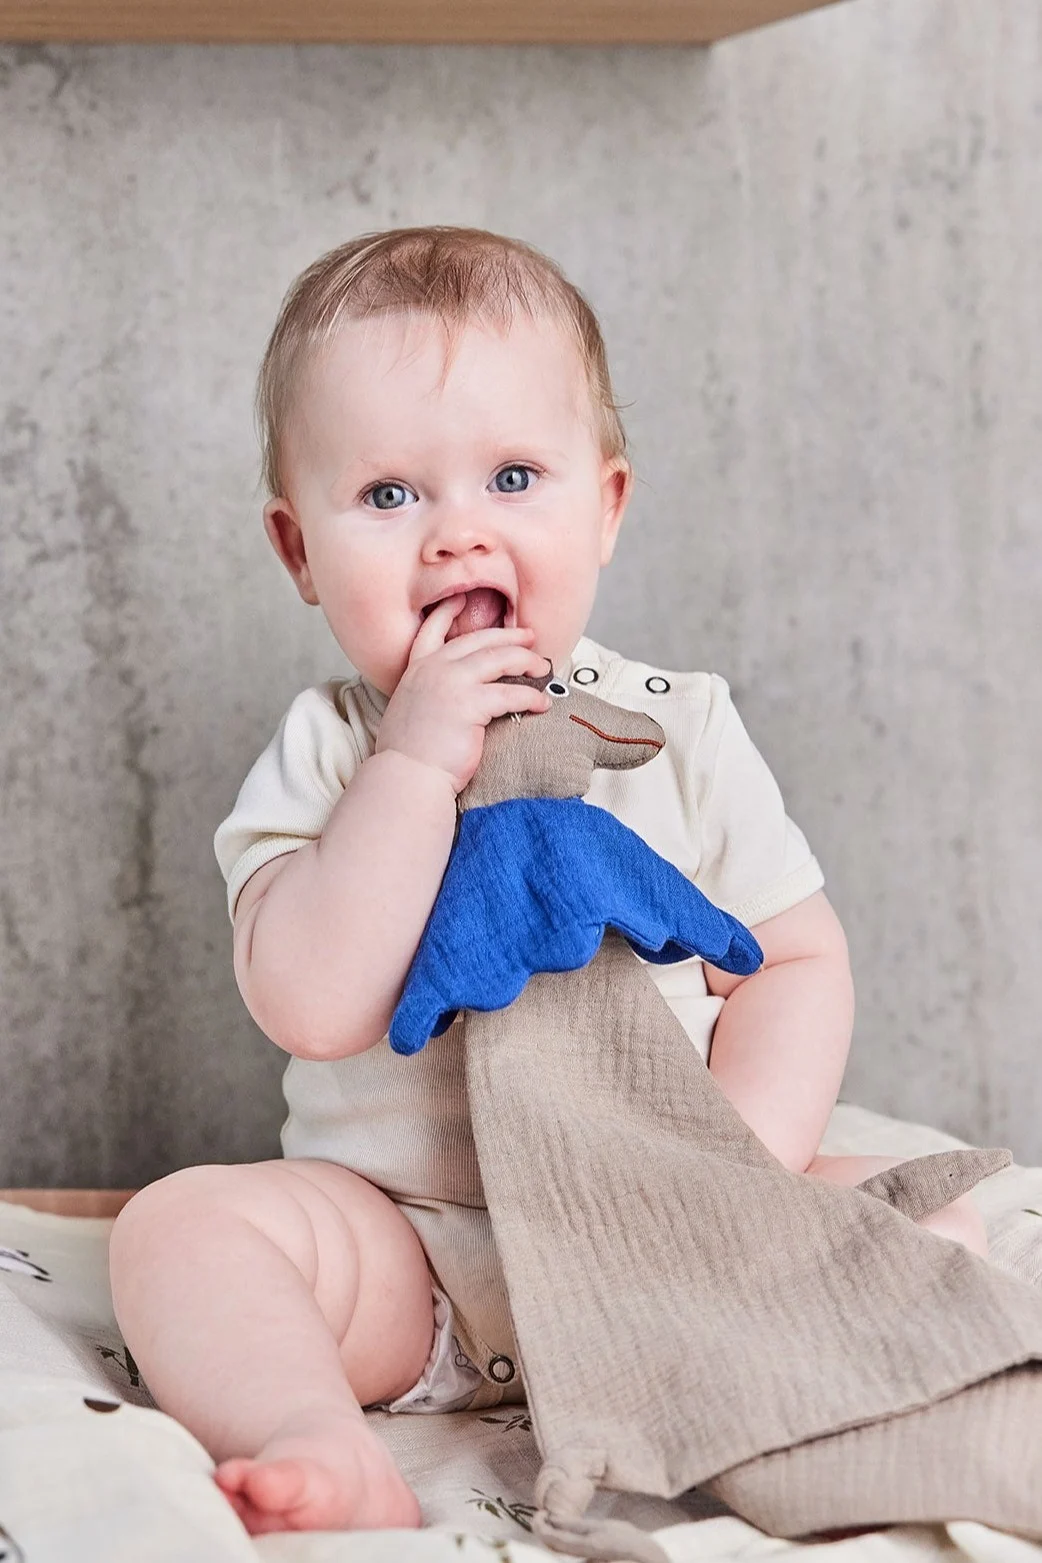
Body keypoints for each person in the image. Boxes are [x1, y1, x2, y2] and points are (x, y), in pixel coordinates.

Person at [108, 226, 988, 1539]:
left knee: (935, 1203)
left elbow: (794, 960)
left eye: (513, 477)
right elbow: (312, 1003)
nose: (457, 533)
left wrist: (736, 1161)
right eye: (389, 495)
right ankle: (313, 1435)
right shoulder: (331, 752)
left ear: (605, 508)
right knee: (179, 1230)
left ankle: (810, 1359)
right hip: (416, 1260)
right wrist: (414, 766)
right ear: (298, 550)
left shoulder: (681, 727)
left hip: (668, 1235)